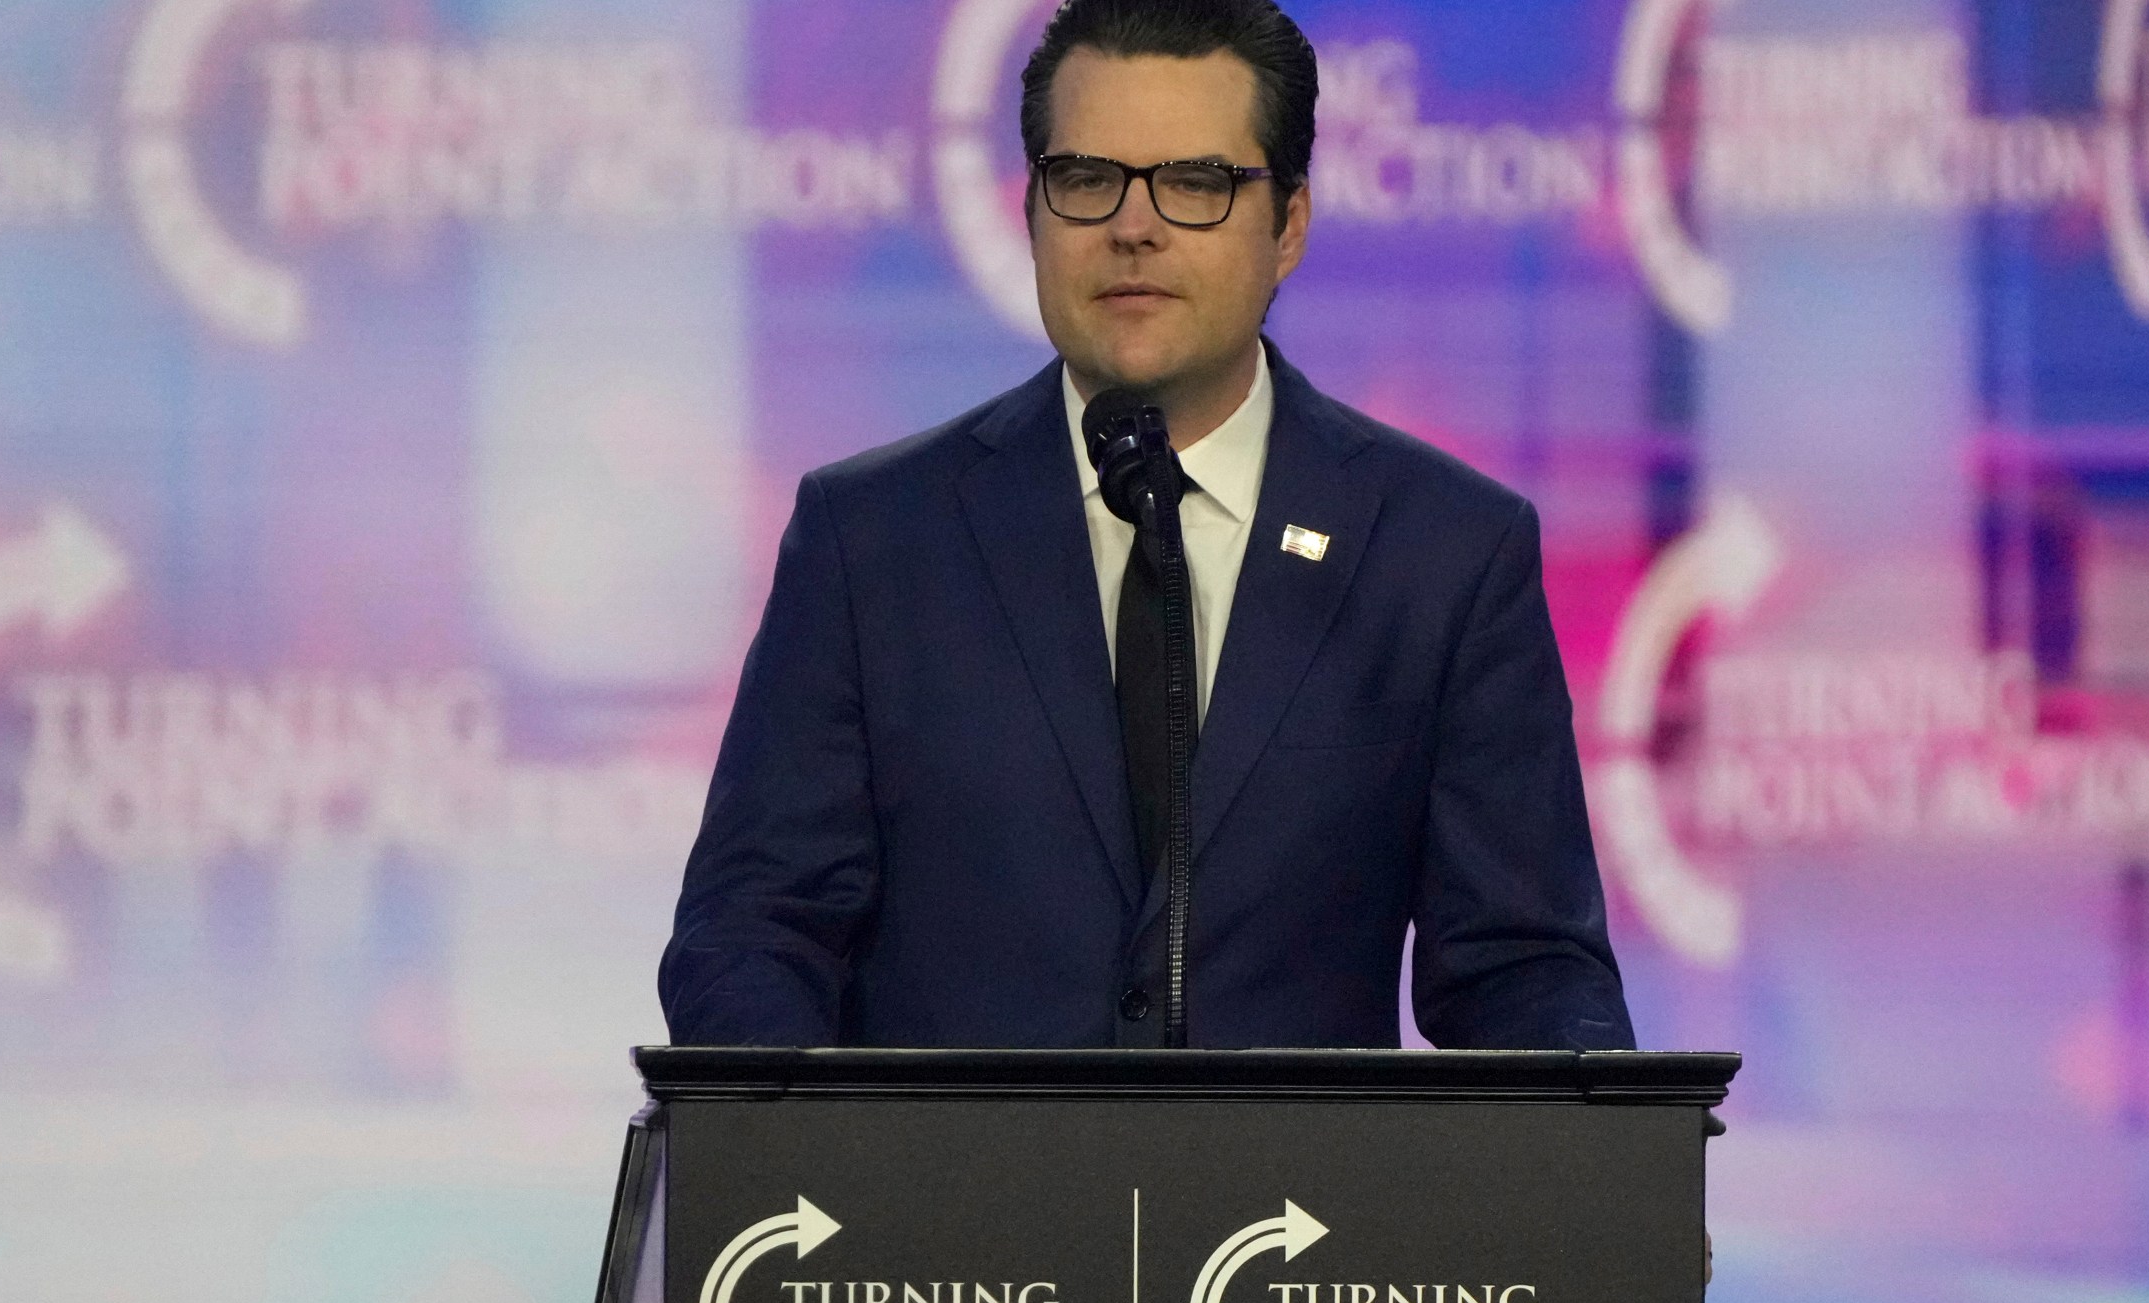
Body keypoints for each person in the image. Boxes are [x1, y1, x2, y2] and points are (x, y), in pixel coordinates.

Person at [659, 0, 1633, 1052]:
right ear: (1031, 212)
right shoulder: (870, 544)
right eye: (1087, 180)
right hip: (952, 1211)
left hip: (1300, 1212)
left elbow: (1521, 970)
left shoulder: (1441, 553)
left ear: (1289, 224)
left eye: (1196, 184)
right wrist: (815, 1161)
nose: (1134, 224)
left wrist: (1591, 1171)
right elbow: (752, 935)